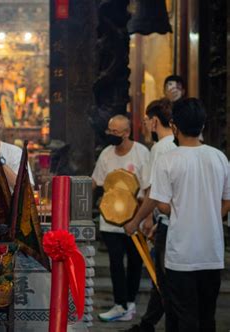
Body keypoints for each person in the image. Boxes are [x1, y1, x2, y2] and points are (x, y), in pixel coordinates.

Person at [125, 98, 230, 331]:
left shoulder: (168, 160)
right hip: (212, 252)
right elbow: (226, 202)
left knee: (181, 316)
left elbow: (161, 206)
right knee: (207, 316)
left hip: (181, 254)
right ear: (202, 126)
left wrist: (184, 211)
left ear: (174, 126)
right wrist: (207, 214)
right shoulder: (219, 157)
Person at [124, 99, 177, 332]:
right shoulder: (176, 144)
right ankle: (148, 323)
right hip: (170, 219)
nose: (145, 125)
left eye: (146, 120)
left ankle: (163, 324)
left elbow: (156, 190)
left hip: (167, 219)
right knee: (162, 276)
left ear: (155, 121)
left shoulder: (160, 148)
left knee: (164, 278)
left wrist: (142, 219)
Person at [92, 114, 150, 322]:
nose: (111, 135)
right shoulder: (106, 154)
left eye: (116, 132)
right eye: (110, 131)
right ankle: (120, 304)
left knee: (135, 261)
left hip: (135, 218)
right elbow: (95, 182)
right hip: (109, 220)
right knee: (115, 261)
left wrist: (147, 218)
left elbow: (149, 189)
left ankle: (130, 303)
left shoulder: (141, 153)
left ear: (127, 133)